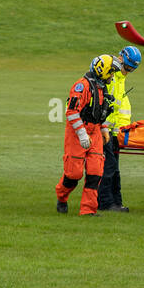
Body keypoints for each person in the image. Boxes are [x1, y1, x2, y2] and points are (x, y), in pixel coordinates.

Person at [57, 55, 117, 216]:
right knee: (73, 174)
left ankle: (88, 210)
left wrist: (104, 129)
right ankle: (61, 197)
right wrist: (82, 134)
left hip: (95, 131)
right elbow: (71, 112)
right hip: (77, 132)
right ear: (102, 71)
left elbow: (99, 113)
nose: (112, 76)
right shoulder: (81, 87)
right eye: (111, 72)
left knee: (95, 172)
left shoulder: (102, 88)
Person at [99, 45, 141, 213]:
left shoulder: (121, 78)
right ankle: (105, 203)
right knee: (108, 167)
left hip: (114, 131)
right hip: (103, 130)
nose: (127, 71)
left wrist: (119, 131)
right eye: (126, 67)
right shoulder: (110, 75)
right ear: (121, 58)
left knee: (114, 169)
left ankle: (116, 202)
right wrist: (104, 129)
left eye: (131, 69)